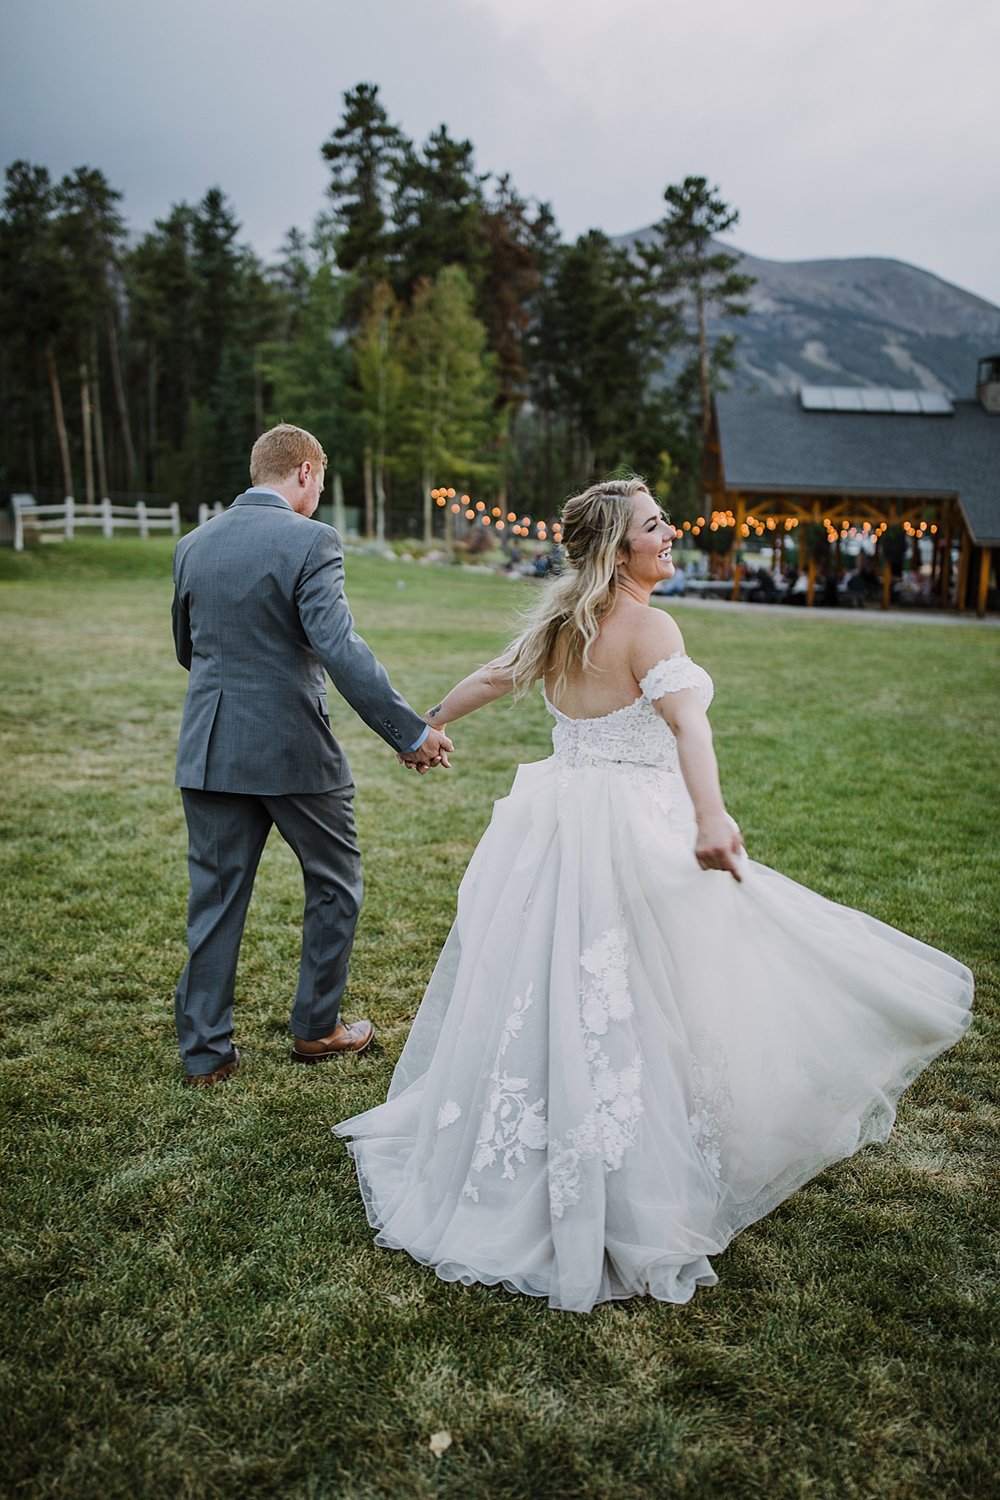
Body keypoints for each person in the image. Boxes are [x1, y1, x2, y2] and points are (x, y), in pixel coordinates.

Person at [335, 478, 973, 1314]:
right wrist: (711, 816)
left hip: (560, 820)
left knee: (567, 977)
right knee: (655, 980)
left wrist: (431, 722)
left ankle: (557, 1127)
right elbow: (688, 726)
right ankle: (635, 1159)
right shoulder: (649, 625)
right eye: (654, 526)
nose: (670, 533)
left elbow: (496, 677)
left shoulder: (567, 621)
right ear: (619, 549)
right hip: (633, 824)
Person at [172, 423, 452, 1086]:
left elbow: (188, 647)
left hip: (209, 744)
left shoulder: (191, 544)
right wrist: (409, 732)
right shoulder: (311, 541)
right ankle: (317, 1028)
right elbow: (340, 647)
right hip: (295, 749)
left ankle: (206, 1057)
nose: (319, 495)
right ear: (304, 471)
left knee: (214, 898)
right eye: (320, 482)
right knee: (334, 881)